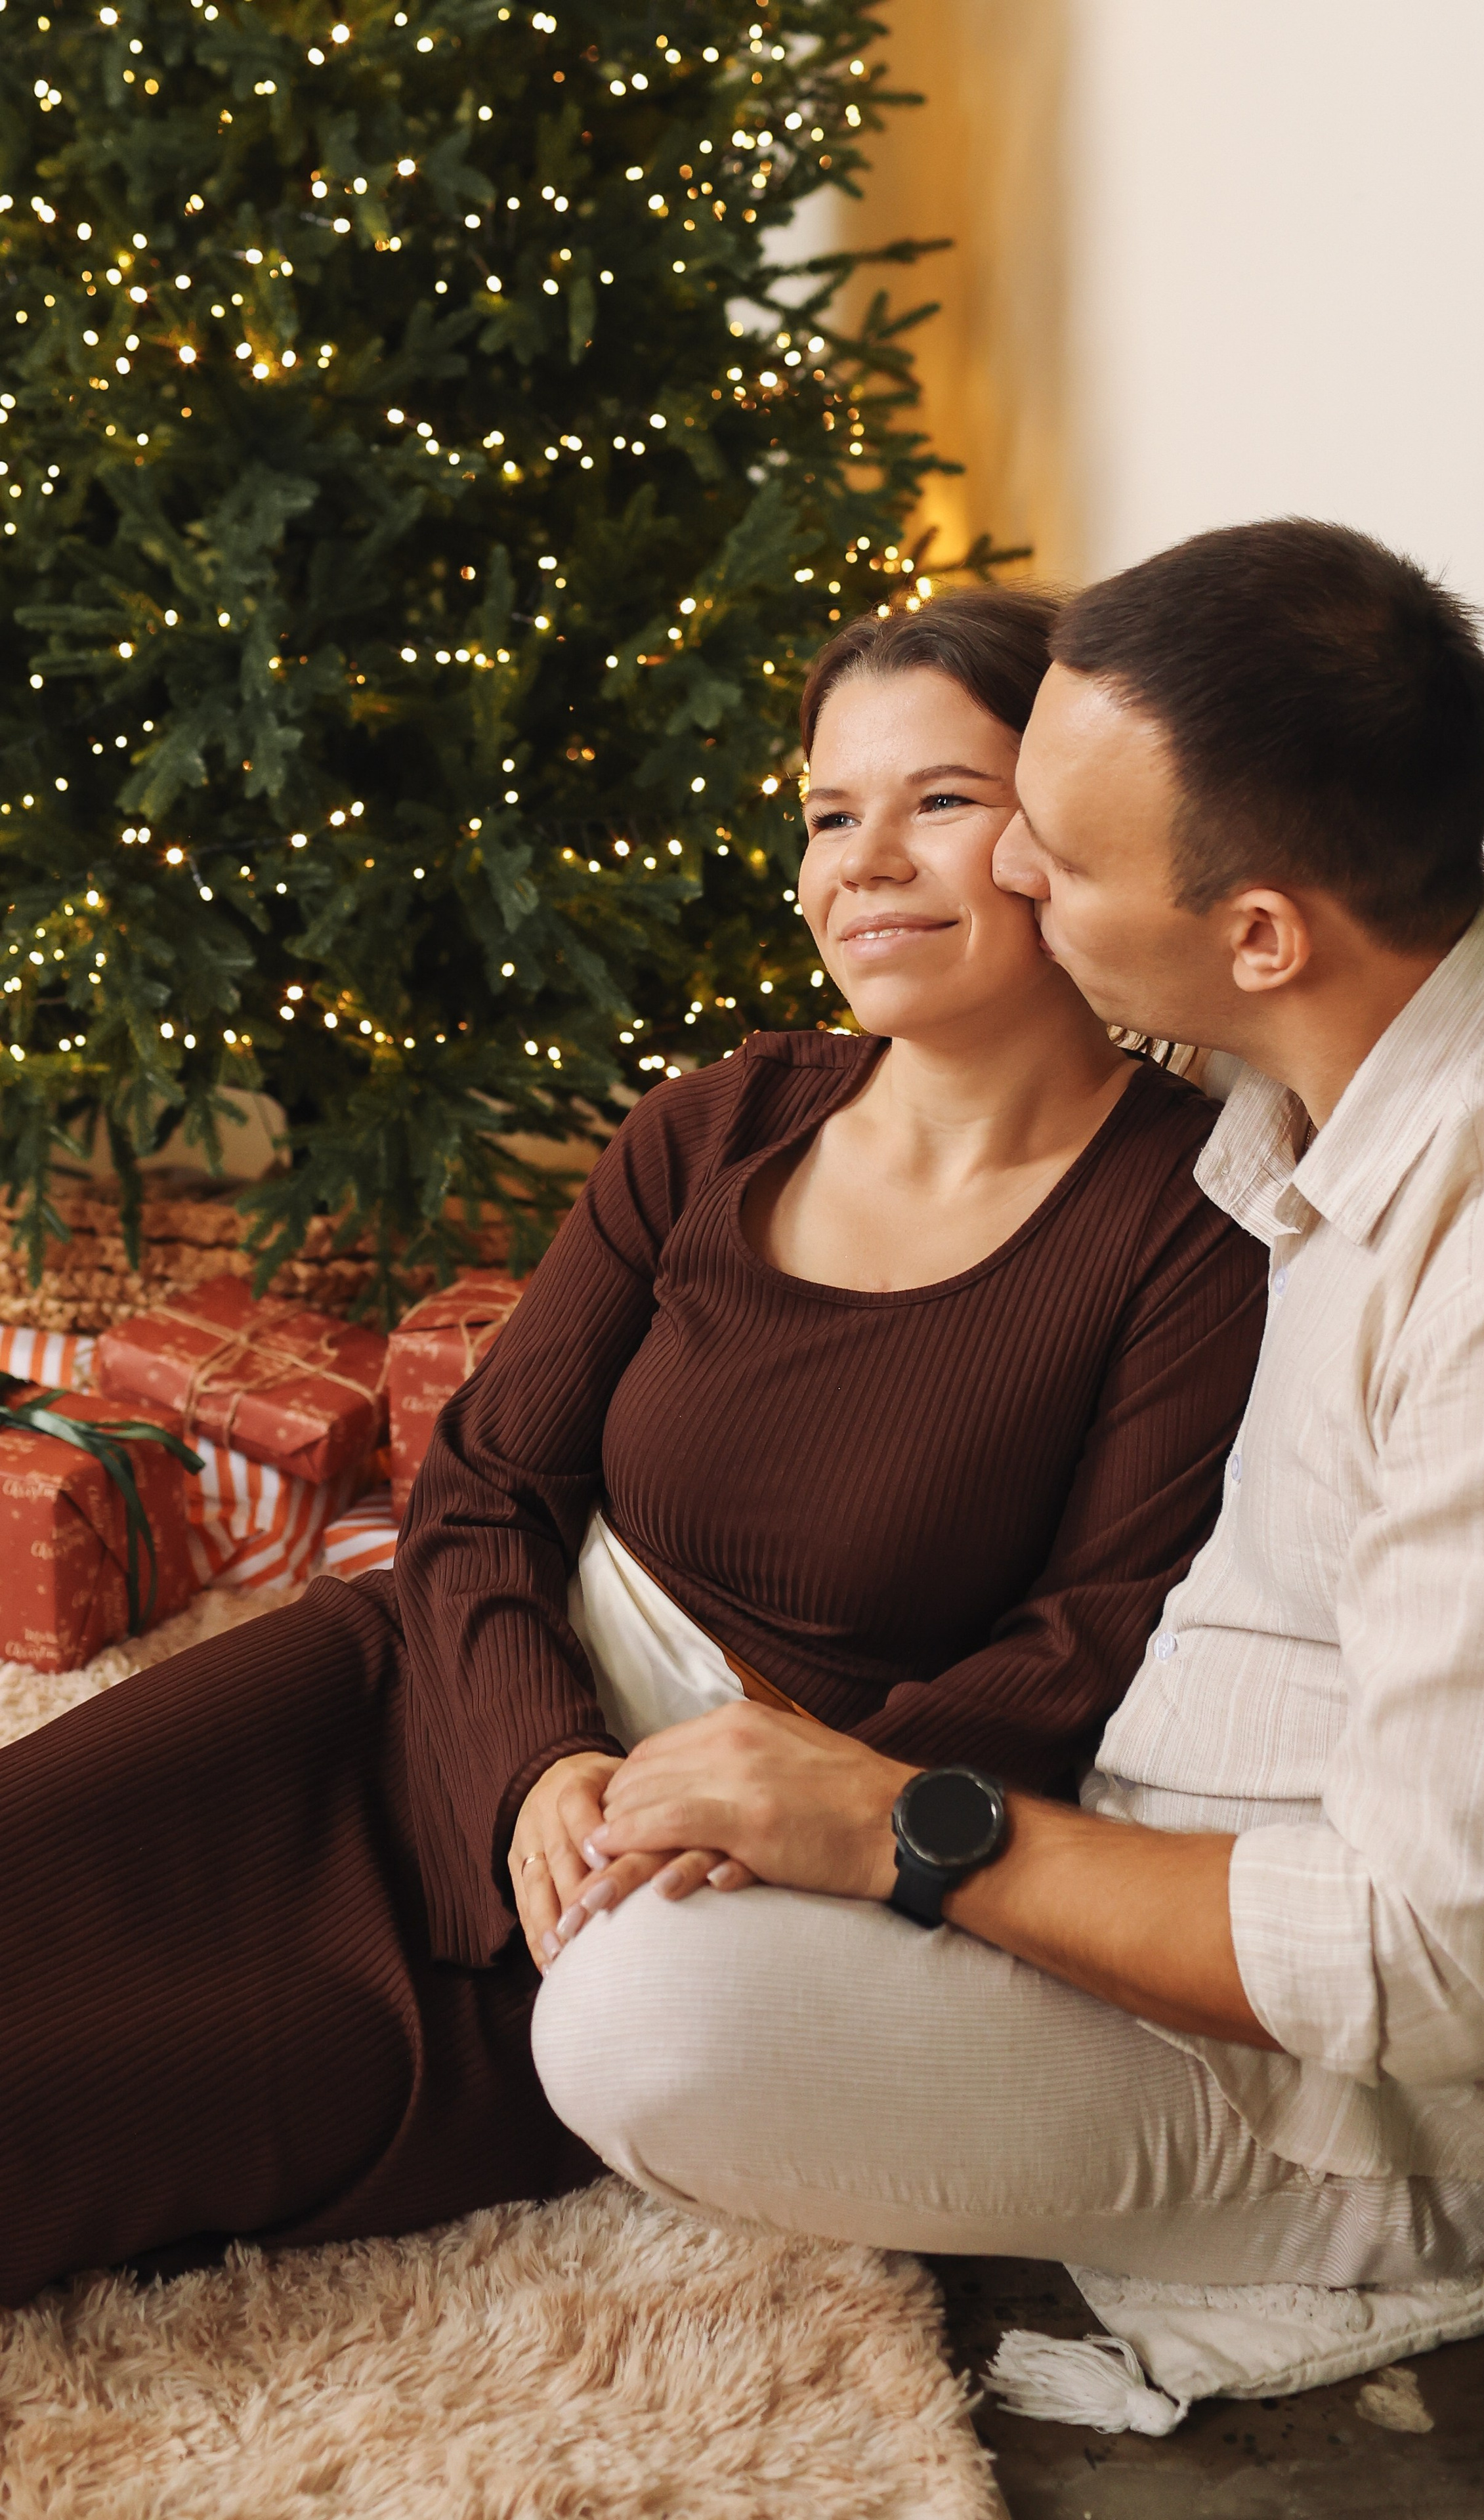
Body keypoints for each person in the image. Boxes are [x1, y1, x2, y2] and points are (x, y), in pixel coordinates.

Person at [0, 587, 1264, 2307]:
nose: (862, 863)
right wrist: (529, 1760)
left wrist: (777, 1820)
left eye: (939, 802)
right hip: (433, 1697)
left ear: (1071, 827)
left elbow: (1086, 1647)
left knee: (64, 2116)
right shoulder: (721, 1121)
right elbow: (485, 1489)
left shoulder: (1186, 1224)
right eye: (831, 814)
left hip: (668, 1893)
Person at [535, 519, 1484, 2290]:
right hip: (1103, 1868)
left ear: (1262, 935)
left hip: (1336, 2097)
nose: (1002, 874)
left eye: (1051, 852)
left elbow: (1431, 1969)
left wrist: (895, 1827)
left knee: (639, 2016)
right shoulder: (1314, 1067)